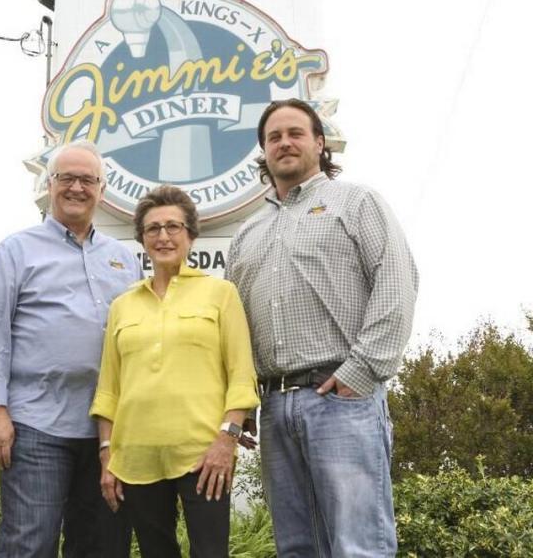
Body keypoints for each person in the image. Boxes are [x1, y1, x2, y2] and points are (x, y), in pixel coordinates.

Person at [225, 98, 418, 557]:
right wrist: (243, 401)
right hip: (274, 408)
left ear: (319, 142)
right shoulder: (246, 234)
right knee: (296, 547)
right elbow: (234, 330)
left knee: (359, 545)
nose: (284, 143)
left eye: (295, 133)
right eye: (274, 137)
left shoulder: (356, 202)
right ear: (263, 152)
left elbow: (397, 283)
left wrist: (362, 371)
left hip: (340, 399)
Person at [0, 140, 140, 558]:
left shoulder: (124, 260)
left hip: (107, 430)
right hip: (35, 426)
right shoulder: (17, 250)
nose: (76, 187)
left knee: (99, 546)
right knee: (29, 543)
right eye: (66, 178)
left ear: (102, 189)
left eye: (87, 179)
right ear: (48, 185)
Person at [91, 185, 259, 558]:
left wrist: (226, 441)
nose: (163, 236)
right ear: (142, 238)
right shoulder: (122, 306)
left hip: (204, 454)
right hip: (136, 458)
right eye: (153, 229)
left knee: (210, 553)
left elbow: (242, 377)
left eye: (173, 227)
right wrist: (107, 454)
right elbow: (109, 389)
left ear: (191, 235)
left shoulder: (221, 293)